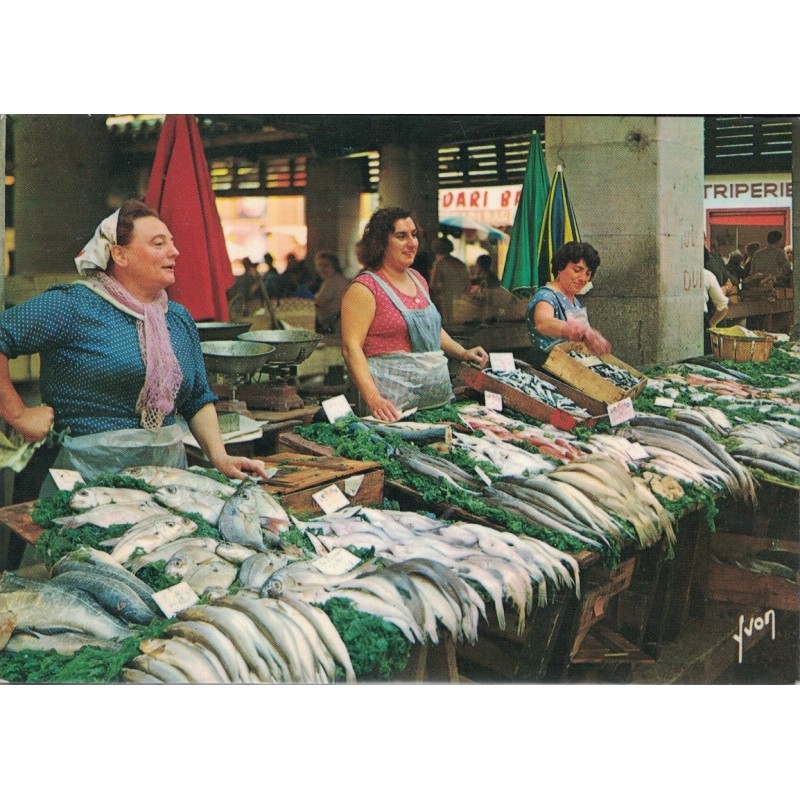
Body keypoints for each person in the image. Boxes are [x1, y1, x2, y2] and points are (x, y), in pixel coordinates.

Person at [0, 199, 270, 498]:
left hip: (163, 483)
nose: (174, 251)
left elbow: (197, 398)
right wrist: (19, 415)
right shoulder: (74, 304)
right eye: (158, 243)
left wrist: (219, 456)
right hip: (79, 481)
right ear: (119, 254)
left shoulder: (177, 318)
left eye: (172, 242)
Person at [341, 207, 489, 422]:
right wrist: (374, 399)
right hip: (390, 409)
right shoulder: (364, 288)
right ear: (380, 242)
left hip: (434, 404)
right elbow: (350, 348)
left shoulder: (417, 279)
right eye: (401, 236)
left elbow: (431, 329)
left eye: (414, 235)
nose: (411, 243)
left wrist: (463, 353)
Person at [525, 240, 611, 368]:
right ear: (560, 267)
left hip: (573, 367)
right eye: (577, 270)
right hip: (549, 368)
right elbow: (543, 322)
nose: (583, 278)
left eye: (588, 273)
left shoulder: (575, 301)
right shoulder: (546, 295)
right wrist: (582, 331)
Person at [429, 237, 469, 327]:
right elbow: (468, 285)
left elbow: (432, 286)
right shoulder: (460, 263)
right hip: (461, 301)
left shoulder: (439, 264)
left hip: (446, 303)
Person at [313, 251, 350, 333]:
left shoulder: (333, 281)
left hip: (335, 326)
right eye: (319, 266)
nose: (322, 269)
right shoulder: (337, 279)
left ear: (334, 266)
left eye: (326, 266)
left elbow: (318, 303)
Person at [704, 268, 729, 353]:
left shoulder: (671, 274)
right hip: (700, 323)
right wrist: (711, 325)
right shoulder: (707, 275)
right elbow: (723, 307)